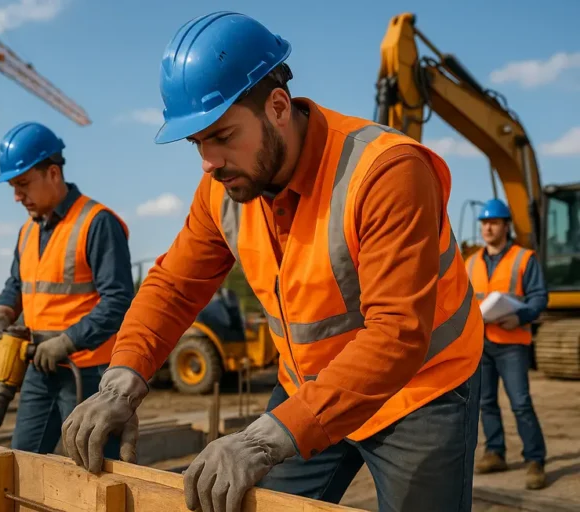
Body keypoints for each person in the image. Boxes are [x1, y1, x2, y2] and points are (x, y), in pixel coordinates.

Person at [61, 11, 485, 512]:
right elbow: (174, 286)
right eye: (197, 143)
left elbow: (397, 333)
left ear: (278, 106)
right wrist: (123, 377)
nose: (208, 162)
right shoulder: (222, 190)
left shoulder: (385, 172)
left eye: (221, 135)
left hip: (418, 391)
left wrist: (265, 438)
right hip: (308, 388)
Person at [0, 121, 135, 456]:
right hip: (39, 367)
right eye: (13, 187)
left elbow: (119, 301)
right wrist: (1, 310)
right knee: (23, 459)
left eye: (22, 184)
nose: (17, 196)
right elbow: (17, 284)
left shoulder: (97, 222)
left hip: (88, 372)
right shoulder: (27, 232)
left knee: (94, 467)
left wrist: (67, 341)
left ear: (53, 173)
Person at [465, 198, 548, 490]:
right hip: (481, 343)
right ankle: (495, 452)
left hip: (512, 342)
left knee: (521, 403)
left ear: (506, 226)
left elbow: (539, 297)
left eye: (494, 222)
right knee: (485, 402)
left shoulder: (524, 258)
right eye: (484, 223)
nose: (487, 227)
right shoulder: (471, 262)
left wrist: (520, 316)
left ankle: (535, 460)